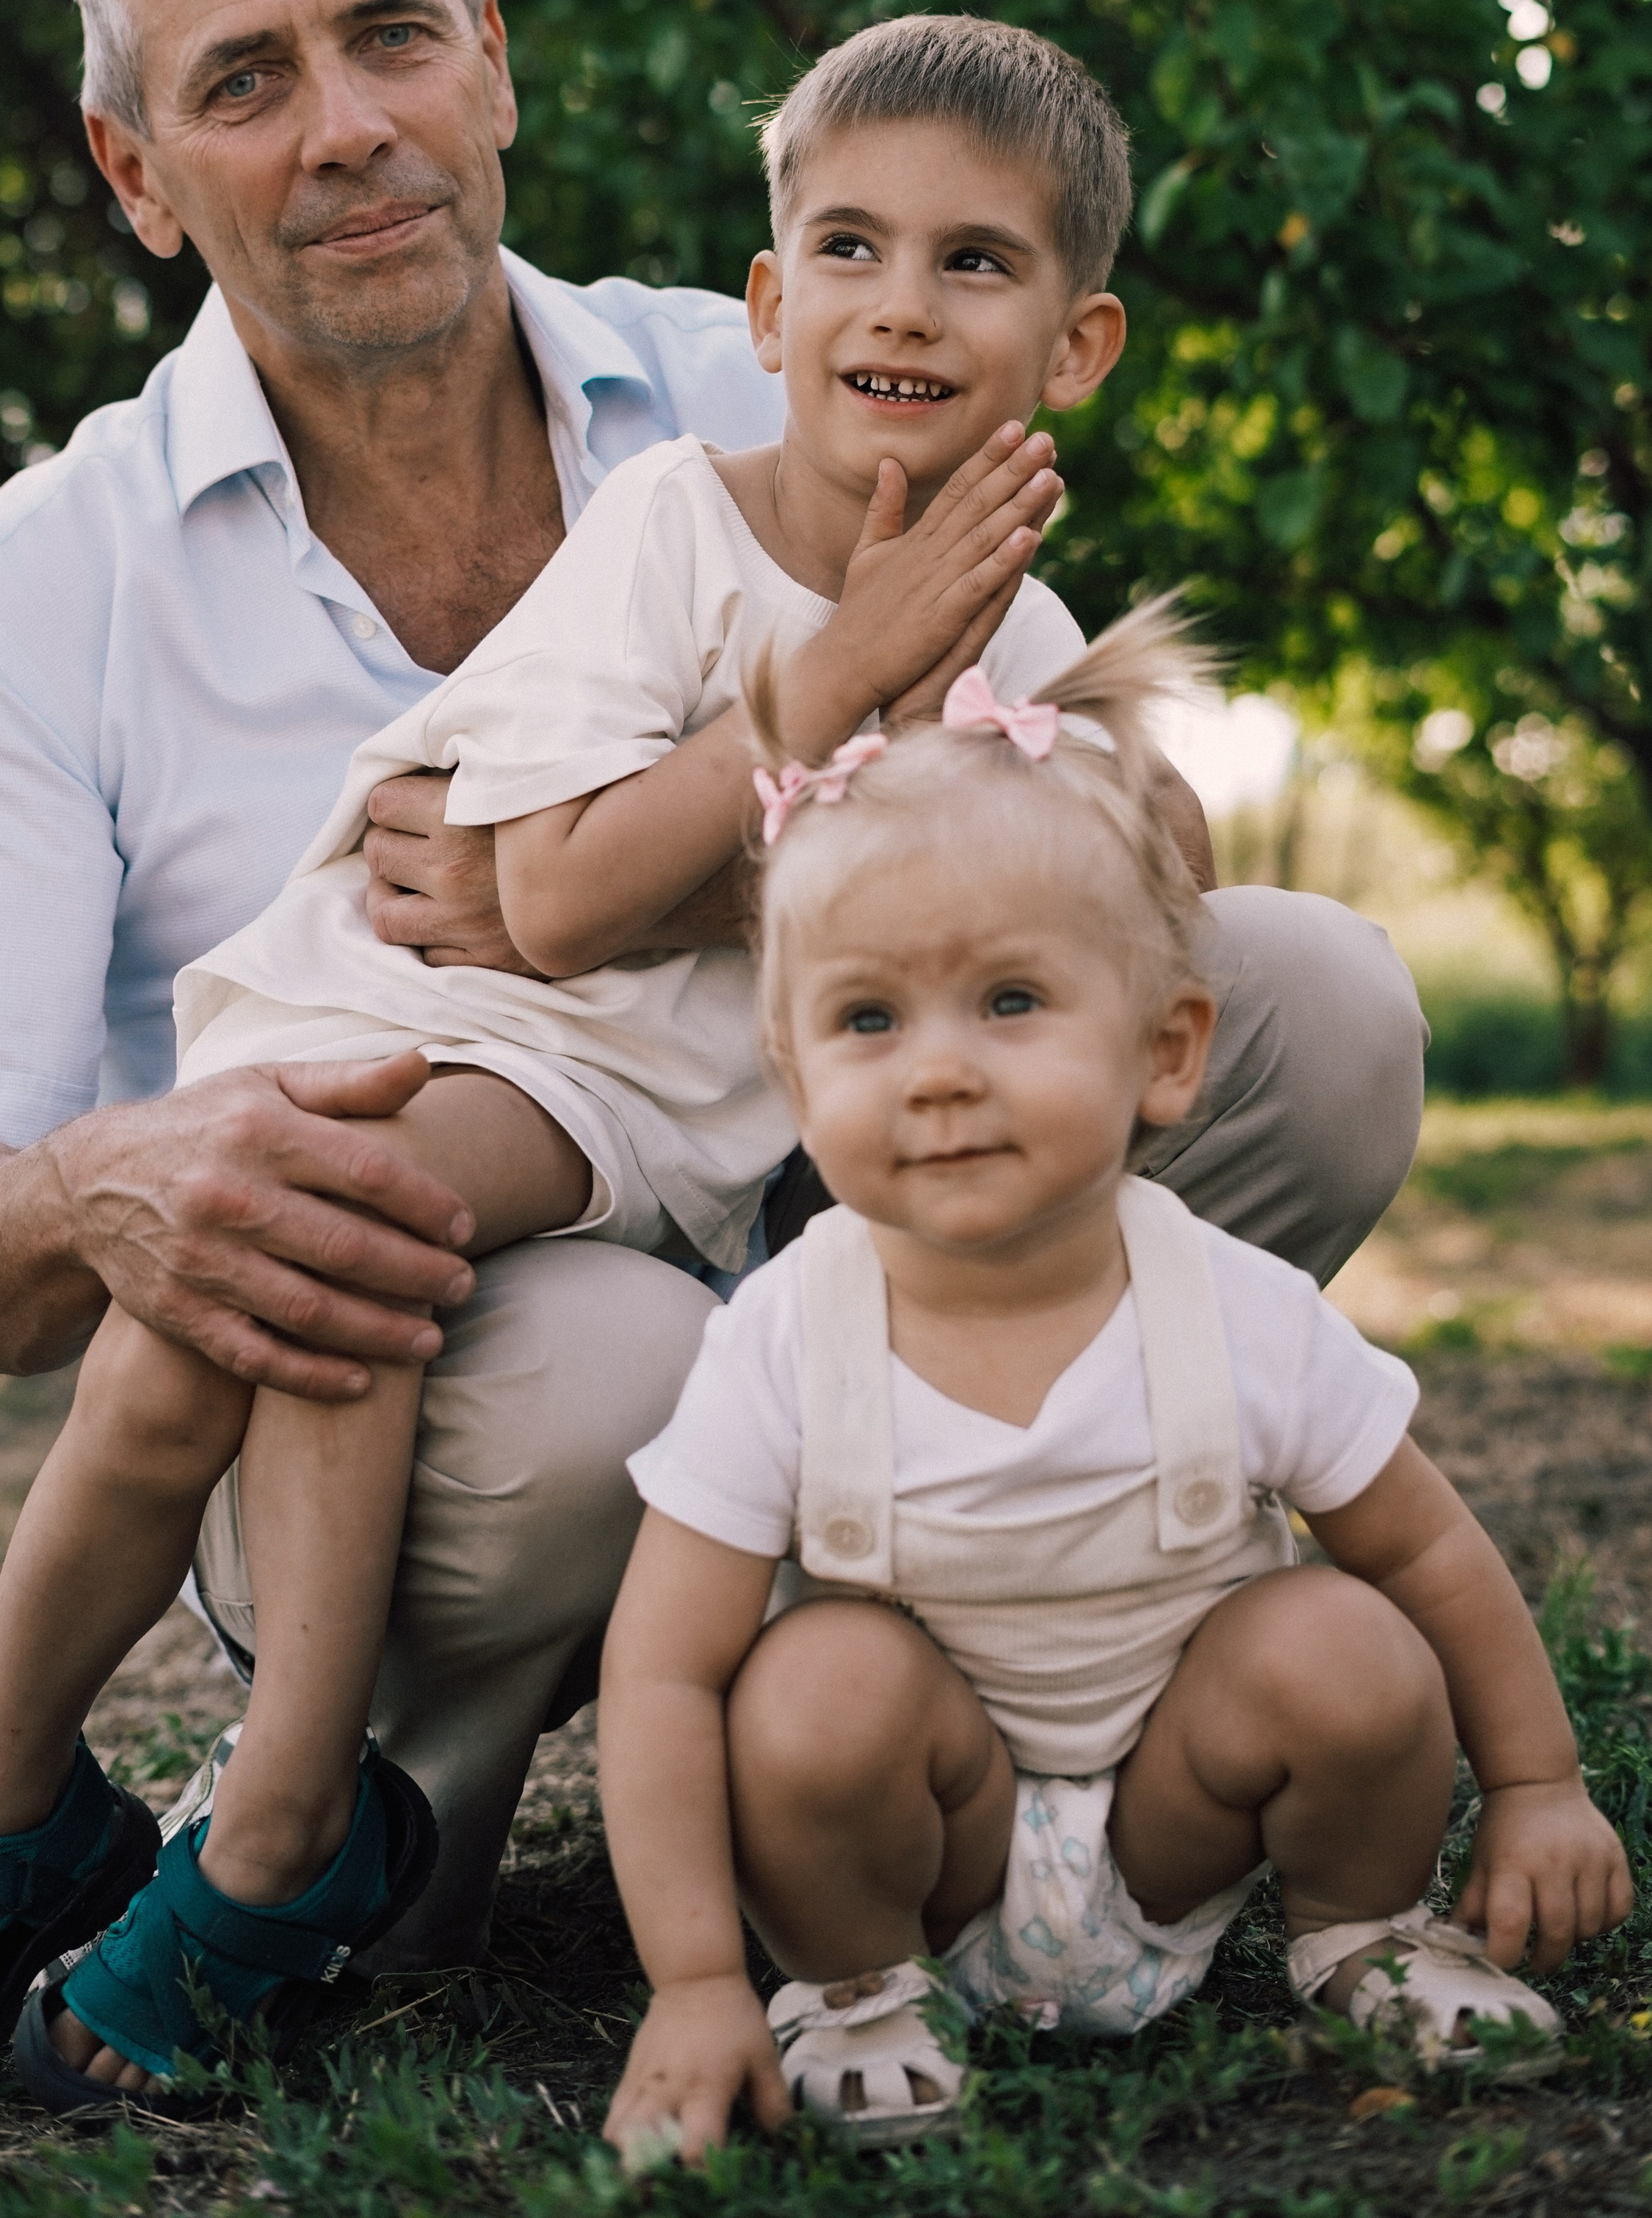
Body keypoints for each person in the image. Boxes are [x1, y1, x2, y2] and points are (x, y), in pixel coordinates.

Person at [0, 0, 1424, 1999]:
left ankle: (989, 1657)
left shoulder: (785, 364)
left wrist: (653, 875)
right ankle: (351, 1793)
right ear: (137, 171)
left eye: (393, 34)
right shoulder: (29, 590)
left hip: (838, 1180)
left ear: (492, 53)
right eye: (244, 80)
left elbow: (1087, 811)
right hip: (440, 1339)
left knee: (1310, 998)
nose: (348, 127)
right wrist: (115, 1181)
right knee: (609, 1347)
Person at [599, 606, 1633, 2164]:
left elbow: (1426, 1550)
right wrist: (692, 1978)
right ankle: (852, 1991)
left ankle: (1359, 1930)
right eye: (868, 1018)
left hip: (1175, 1824)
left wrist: (1538, 1781)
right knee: (811, 1685)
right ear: (796, 1077)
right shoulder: (785, 1336)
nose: (938, 1069)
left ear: (1166, 1051)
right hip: (921, 1852)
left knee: (1346, 1637)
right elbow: (665, 1674)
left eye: (1010, 1001)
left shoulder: (1230, 1303)